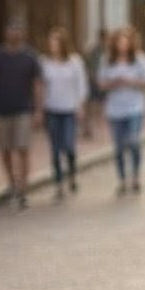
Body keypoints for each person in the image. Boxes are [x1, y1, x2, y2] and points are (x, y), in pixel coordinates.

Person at [0, 17, 43, 209]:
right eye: (11, 30)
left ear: (23, 33)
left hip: (23, 110)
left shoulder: (30, 57)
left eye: (18, 30)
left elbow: (37, 85)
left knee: (22, 148)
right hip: (1, 109)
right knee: (5, 149)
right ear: (6, 33)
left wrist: (38, 110)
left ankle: (23, 188)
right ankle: (11, 182)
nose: (14, 34)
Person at [98, 25, 145, 196]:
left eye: (125, 42)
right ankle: (122, 179)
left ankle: (135, 176)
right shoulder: (107, 60)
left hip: (135, 107)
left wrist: (131, 81)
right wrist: (114, 83)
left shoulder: (139, 59)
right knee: (119, 146)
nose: (122, 45)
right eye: (119, 42)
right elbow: (101, 83)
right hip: (115, 109)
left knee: (134, 141)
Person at [40, 26, 88, 200]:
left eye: (56, 41)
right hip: (52, 109)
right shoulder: (44, 62)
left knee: (68, 145)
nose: (53, 45)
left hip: (69, 109)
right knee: (54, 149)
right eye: (51, 41)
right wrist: (41, 109)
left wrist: (80, 106)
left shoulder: (75, 62)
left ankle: (72, 174)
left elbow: (81, 85)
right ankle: (59, 183)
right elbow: (42, 87)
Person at [83, 28, 108, 138]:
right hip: (93, 80)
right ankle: (90, 128)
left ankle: (99, 128)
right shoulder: (94, 50)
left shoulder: (108, 50)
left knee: (101, 105)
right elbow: (89, 65)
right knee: (92, 105)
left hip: (103, 81)